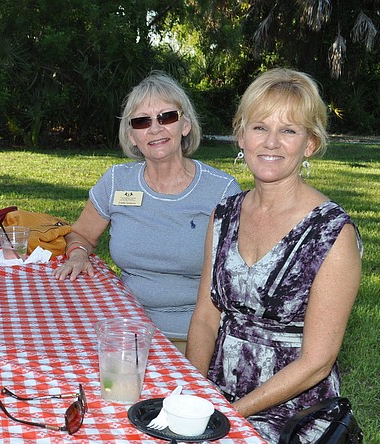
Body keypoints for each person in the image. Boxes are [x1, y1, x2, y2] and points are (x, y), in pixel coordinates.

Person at [186, 68, 362, 444]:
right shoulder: (225, 214)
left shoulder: (332, 233)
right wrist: (194, 393)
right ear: (241, 136)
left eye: (289, 131)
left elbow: (317, 361)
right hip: (217, 388)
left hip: (291, 408)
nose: (271, 143)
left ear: (310, 144)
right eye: (260, 127)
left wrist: (231, 415)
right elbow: (205, 315)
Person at [53, 71, 240, 352]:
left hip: (194, 337)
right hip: (123, 329)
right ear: (131, 135)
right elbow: (80, 234)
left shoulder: (221, 190)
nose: (155, 128)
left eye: (166, 117)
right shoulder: (117, 181)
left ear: (185, 125)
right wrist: (78, 253)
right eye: (142, 121)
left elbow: (237, 278)